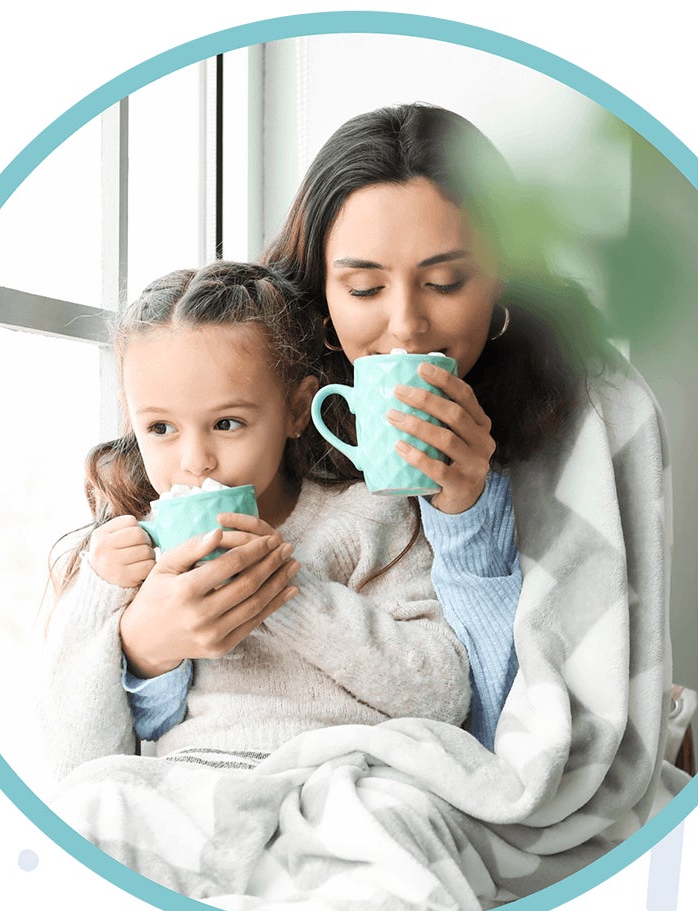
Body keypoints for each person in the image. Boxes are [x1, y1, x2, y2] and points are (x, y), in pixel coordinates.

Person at [263, 103, 619, 750]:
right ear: (320, 296)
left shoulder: (578, 419)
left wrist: (468, 514)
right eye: (365, 289)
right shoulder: (261, 407)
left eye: (446, 281)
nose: (406, 324)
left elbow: (505, 739)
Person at [41, 260, 470, 775]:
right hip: (197, 783)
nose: (195, 459)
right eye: (159, 428)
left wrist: (287, 590)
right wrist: (129, 631)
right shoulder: (129, 559)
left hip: (348, 774)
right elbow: (76, 762)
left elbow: (442, 696)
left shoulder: (369, 517)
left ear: (295, 409)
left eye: (227, 423)